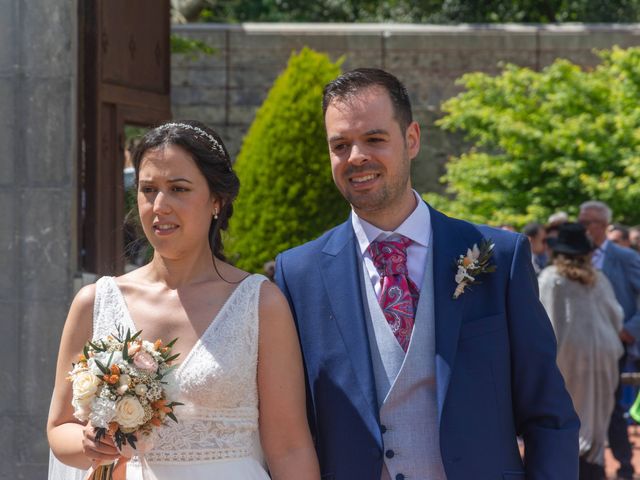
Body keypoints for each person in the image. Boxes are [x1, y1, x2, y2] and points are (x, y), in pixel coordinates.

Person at [275, 68, 579, 480]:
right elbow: (292, 428)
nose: (356, 157)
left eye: (374, 139)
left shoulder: (499, 257)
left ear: (412, 139)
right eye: (340, 145)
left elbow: (548, 413)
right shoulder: (298, 274)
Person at [47, 121, 320, 480]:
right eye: (148, 190)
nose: (160, 205)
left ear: (217, 202)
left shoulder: (260, 304)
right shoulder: (94, 302)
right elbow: (59, 427)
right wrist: (88, 443)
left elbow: (289, 447)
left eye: (178, 189)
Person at [539, 222, 624, 480]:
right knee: (596, 414)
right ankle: (592, 467)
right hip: (604, 357)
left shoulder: (552, 278)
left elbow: (544, 322)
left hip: (568, 358)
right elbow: (617, 317)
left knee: (570, 417)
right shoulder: (600, 279)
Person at [579, 200, 640, 480]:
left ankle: (624, 465)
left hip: (614, 346)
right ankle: (592, 465)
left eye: (586, 222)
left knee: (613, 407)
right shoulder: (574, 255)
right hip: (580, 348)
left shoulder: (624, 257)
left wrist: (631, 329)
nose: (582, 228)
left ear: (603, 225)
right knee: (584, 405)